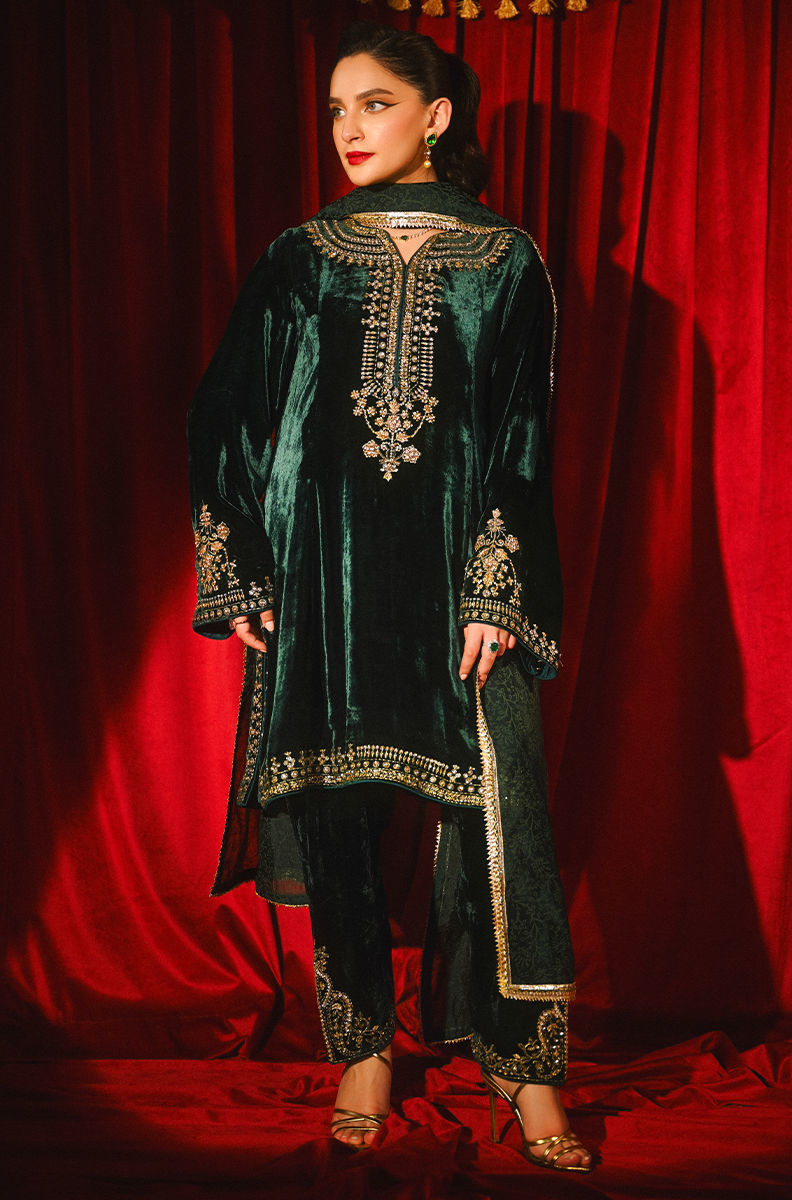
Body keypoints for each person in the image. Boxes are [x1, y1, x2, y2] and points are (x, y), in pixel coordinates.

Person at [188, 21, 592, 1173]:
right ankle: (363, 1044)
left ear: (435, 116)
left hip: (462, 577)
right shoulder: (300, 254)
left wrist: (494, 589)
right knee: (336, 806)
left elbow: (521, 436)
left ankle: (522, 1065)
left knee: (502, 816)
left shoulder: (506, 260)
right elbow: (224, 409)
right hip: (321, 568)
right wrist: (239, 563)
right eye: (336, 110)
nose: (347, 129)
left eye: (373, 104)